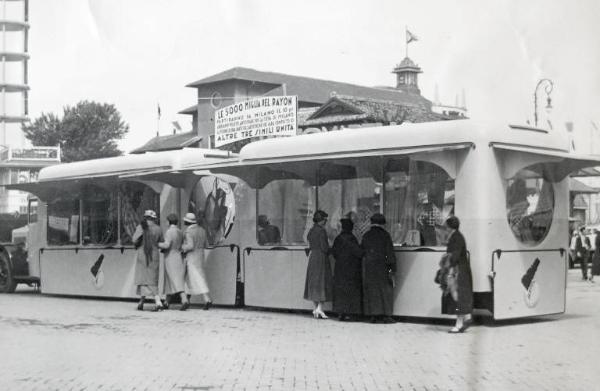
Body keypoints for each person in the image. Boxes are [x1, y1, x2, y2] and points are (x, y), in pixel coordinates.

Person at [361, 213, 396, 323]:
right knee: (385, 290)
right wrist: (392, 268)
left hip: (370, 266)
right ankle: (386, 315)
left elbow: (362, 250)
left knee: (372, 290)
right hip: (383, 266)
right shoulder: (385, 235)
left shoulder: (366, 235)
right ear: (382, 223)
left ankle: (373, 315)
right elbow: (389, 253)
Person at [441, 216, 473, 333]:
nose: (445, 229)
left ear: (449, 227)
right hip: (461, 270)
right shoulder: (458, 236)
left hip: (457, 271)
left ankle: (459, 324)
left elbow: (454, 256)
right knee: (459, 296)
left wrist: (448, 268)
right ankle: (466, 317)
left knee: (457, 296)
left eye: (446, 227)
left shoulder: (455, 238)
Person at [331, 218, 364, 321]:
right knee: (352, 290)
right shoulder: (352, 239)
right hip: (352, 269)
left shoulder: (338, 238)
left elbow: (334, 253)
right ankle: (351, 312)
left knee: (341, 290)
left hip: (340, 268)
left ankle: (341, 313)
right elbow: (359, 252)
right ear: (351, 228)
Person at [132, 210, 164, 311]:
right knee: (152, 278)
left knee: (144, 278)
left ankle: (158, 301)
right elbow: (161, 242)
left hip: (143, 254)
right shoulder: (158, 229)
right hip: (154, 255)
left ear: (145, 217)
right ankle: (141, 302)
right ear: (154, 218)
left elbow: (134, 239)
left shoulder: (140, 227)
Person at [304, 210, 333, 319]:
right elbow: (325, 247)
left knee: (314, 282)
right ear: (322, 220)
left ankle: (316, 308)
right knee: (322, 282)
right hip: (321, 258)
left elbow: (309, 242)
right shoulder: (322, 231)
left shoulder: (311, 230)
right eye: (325, 220)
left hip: (313, 257)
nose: (326, 222)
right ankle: (320, 308)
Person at [182, 212, 213, 310]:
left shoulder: (188, 232)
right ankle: (187, 298)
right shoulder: (202, 230)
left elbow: (190, 246)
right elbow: (206, 244)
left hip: (191, 257)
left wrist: (182, 247)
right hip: (200, 256)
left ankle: (207, 299)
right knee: (192, 278)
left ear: (187, 222)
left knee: (196, 278)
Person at [158, 213, 189, 311]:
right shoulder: (180, 232)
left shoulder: (169, 232)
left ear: (169, 221)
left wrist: (157, 243)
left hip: (170, 257)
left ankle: (184, 299)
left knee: (174, 279)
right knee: (171, 279)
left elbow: (167, 245)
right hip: (178, 256)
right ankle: (166, 302)